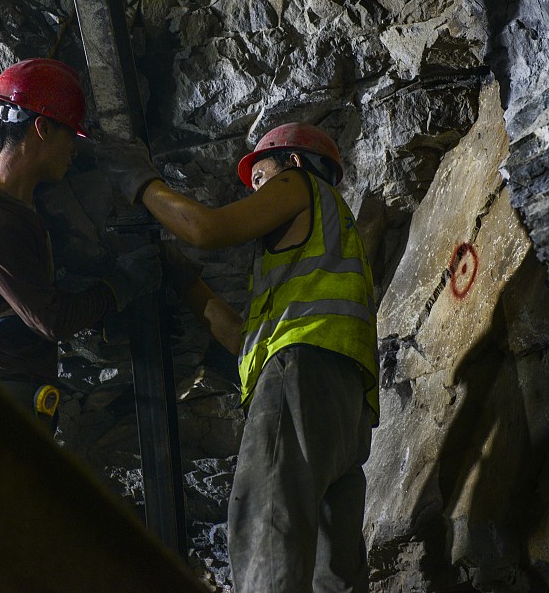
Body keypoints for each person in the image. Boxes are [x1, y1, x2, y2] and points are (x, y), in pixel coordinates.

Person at [106, 122, 379, 593]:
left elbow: (207, 229)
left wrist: (141, 184)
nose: (255, 189)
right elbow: (244, 340)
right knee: (334, 570)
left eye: (260, 177)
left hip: (300, 377)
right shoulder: (331, 240)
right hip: (347, 408)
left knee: (266, 526)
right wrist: (186, 282)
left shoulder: (299, 185)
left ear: (295, 162)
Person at [0, 57, 160, 431]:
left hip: (19, 391)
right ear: (43, 128)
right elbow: (51, 321)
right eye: (70, 134)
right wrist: (119, 287)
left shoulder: (15, 206)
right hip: (6, 397)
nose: (73, 150)